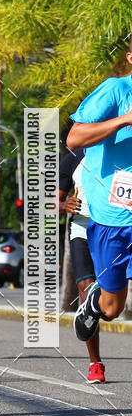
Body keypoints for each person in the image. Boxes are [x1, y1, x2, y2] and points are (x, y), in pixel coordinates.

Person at [67, 43, 132, 343]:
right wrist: (125, 119)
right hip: (114, 217)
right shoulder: (116, 90)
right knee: (112, 308)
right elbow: (74, 138)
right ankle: (95, 301)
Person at [59, 148, 106, 383]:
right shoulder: (74, 157)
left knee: (110, 306)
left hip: (113, 231)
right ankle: (95, 363)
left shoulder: (124, 150)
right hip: (82, 229)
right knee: (86, 290)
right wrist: (63, 205)